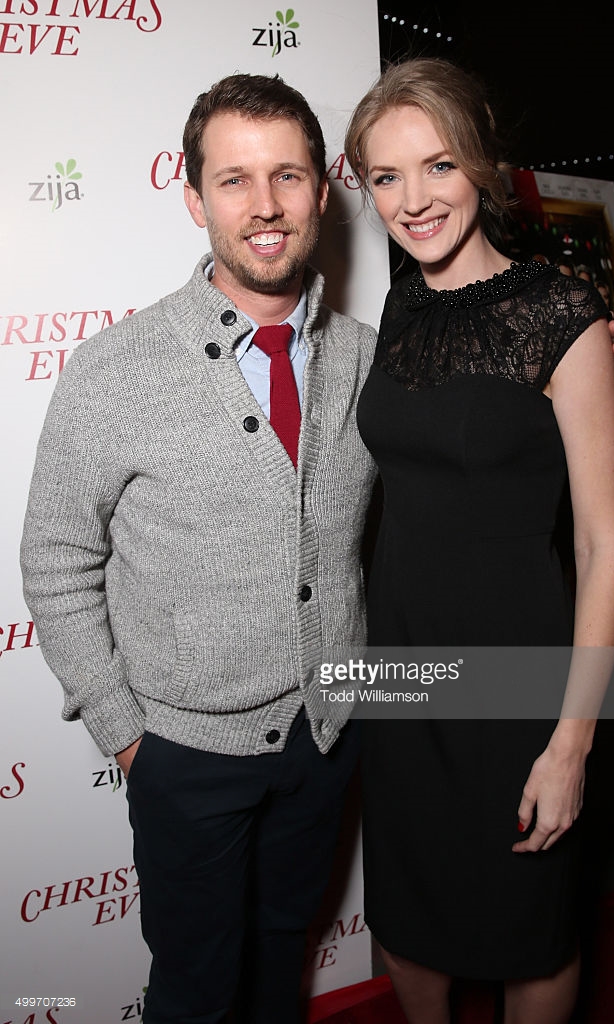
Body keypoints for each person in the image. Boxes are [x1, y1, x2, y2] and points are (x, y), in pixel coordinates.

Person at [19, 73, 378, 1024]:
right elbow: (56, 559)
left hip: (325, 738)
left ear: (321, 191)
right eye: (234, 180)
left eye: (288, 177)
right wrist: (128, 736)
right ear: (193, 198)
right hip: (184, 754)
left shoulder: (366, 358)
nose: (265, 207)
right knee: (192, 989)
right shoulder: (114, 370)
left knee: (278, 967)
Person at [343, 58, 614, 1024]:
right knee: (408, 917)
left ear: (482, 166)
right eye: (387, 177)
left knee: (528, 922)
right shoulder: (397, 309)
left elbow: (603, 544)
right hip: (400, 671)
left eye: (437, 166)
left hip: (515, 676)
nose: (414, 200)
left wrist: (572, 741)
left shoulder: (561, 316)